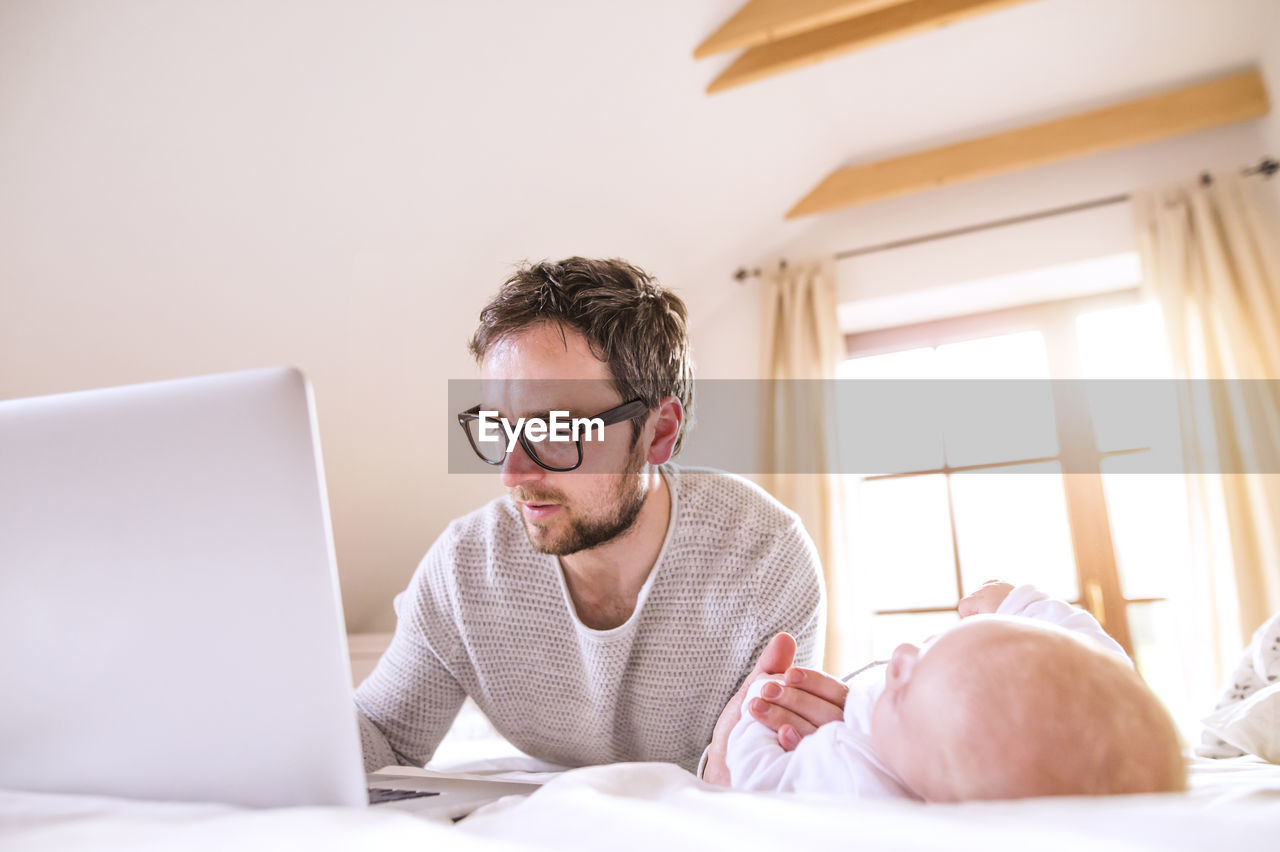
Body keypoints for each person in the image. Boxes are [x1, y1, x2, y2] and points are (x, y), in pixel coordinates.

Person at [355, 257, 825, 773]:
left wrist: (736, 772)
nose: (513, 475)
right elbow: (383, 735)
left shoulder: (766, 559)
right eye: (499, 426)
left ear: (658, 432)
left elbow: (770, 774)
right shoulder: (465, 568)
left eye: (555, 429)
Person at [723, 582, 1187, 800]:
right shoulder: (973, 733)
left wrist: (755, 708)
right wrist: (1019, 605)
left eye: (902, 693)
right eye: (932, 646)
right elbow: (1098, 661)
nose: (901, 656)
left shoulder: (860, 778)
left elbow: (758, 779)